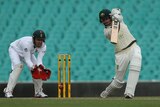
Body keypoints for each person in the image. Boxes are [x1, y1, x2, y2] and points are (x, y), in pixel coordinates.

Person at [99, 8, 142, 99]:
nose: (105, 21)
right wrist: (116, 18)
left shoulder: (119, 20)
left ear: (109, 17)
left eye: (106, 18)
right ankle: (106, 92)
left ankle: (129, 94)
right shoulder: (106, 31)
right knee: (118, 82)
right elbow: (114, 37)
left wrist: (117, 14)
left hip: (133, 46)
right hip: (121, 54)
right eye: (103, 20)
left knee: (136, 61)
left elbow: (120, 18)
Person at [4, 30, 51, 98]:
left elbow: (39, 61)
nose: (40, 42)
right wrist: (33, 67)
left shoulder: (43, 46)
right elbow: (27, 60)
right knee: (18, 67)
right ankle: (8, 91)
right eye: (38, 39)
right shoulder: (26, 43)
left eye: (42, 40)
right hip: (15, 50)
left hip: (28, 53)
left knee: (39, 69)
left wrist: (41, 67)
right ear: (33, 39)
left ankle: (38, 92)